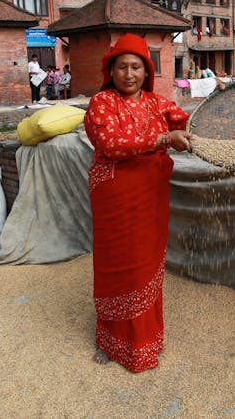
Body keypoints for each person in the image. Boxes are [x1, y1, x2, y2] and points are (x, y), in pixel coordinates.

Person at [83, 33, 192, 373]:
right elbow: (111, 143)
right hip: (115, 196)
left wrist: (208, 125)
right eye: (122, 67)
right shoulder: (101, 103)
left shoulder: (158, 103)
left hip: (150, 195)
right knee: (117, 266)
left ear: (147, 72)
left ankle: (147, 340)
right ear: (111, 71)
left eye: (136, 67)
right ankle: (110, 340)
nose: (129, 74)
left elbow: (185, 121)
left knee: (145, 264)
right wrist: (162, 138)